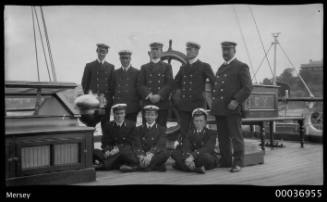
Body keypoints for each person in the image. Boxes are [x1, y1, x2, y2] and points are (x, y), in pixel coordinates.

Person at [211, 41, 253, 172]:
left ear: (234, 50)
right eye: (223, 50)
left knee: (236, 136)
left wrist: (236, 100)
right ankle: (226, 161)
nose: (225, 53)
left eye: (228, 50)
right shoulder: (221, 67)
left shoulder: (241, 66)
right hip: (220, 108)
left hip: (232, 108)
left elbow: (247, 88)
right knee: (222, 137)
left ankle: (238, 163)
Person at [174, 41, 215, 143]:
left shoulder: (204, 66)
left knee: (197, 130)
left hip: (197, 105)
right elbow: (175, 84)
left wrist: (214, 99)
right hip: (184, 106)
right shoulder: (183, 68)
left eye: (190, 49)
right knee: (184, 131)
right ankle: (185, 152)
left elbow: (214, 82)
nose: (188, 52)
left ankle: (197, 154)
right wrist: (177, 98)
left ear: (196, 51)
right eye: (187, 49)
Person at [93, 103, 140, 172]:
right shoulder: (108, 125)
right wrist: (107, 150)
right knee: (95, 151)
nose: (119, 116)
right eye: (117, 114)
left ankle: (104, 165)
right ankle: (118, 165)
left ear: (125, 114)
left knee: (122, 152)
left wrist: (118, 149)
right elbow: (105, 142)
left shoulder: (131, 125)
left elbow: (133, 143)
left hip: (126, 151)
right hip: (112, 151)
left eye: (121, 113)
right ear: (113, 114)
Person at [137, 42, 174, 127]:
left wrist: (159, 95)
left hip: (162, 104)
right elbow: (140, 85)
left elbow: (169, 84)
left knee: (161, 129)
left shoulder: (167, 67)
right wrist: (149, 95)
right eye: (153, 49)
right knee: (146, 130)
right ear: (150, 52)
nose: (155, 52)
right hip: (148, 103)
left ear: (161, 52)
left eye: (157, 49)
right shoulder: (144, 67)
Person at [171, 108, 218, 174]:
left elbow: (208, 148)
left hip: (203, 157)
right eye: (196, 121)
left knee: (207, 157)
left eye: (201, 121)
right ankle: (196, 169)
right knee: (174, 153)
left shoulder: (211, 133)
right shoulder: (189, 133)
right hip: (191, 158)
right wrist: (188, 157)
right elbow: (186, 147)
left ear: (205, 122)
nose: (199, 123)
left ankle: (182, 166)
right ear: (193, 121)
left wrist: (193, 156)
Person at [81, 43, 114, 129]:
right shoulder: (89, 66)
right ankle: (89, 142)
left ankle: (106, 143)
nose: (102, 54)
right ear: (97, 51)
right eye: (100, 51)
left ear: (107, 53)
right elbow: (84, 84)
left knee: (105, 125)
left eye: (104, 52)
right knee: (91, 124)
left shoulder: (111, 67)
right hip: (92, 102)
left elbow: (112, 86)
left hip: (104, 103)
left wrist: (107, 99)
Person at [134, 105, 170, 172]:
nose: (149, 117)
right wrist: (141, 155)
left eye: (152, 115)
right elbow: (137, 144)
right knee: (131, 153)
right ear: (144, 115)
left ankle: (143, 166)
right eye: (147, 115)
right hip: (143, 153)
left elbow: (160, 144)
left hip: (154, 154)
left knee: (165, 153)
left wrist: (150, 154)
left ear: (156, 116)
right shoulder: (138, 129)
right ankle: (154, 166)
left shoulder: (161, 129)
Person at [112, 50, 140, 123]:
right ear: (120, 59)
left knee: (131, 129)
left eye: (127, 58)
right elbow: (112, 89)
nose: (125, 60)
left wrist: (138, 106)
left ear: (130, 59)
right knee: (119, 130)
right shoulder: (115, 73)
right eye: (123, 58)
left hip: (132, 107)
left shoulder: (137, 72)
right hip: (118, 107)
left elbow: (139, 90)